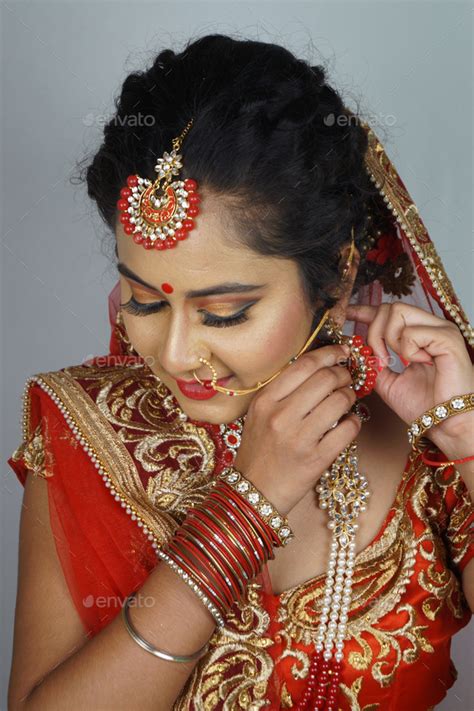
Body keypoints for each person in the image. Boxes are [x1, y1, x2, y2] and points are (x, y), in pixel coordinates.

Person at [7, 34, 473, 711]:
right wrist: (246, 506)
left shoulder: (421, 437)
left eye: (224, 313)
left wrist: (466, 443)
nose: (172, 353)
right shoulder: (87, 434)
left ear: (339, 274)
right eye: (142, 299)